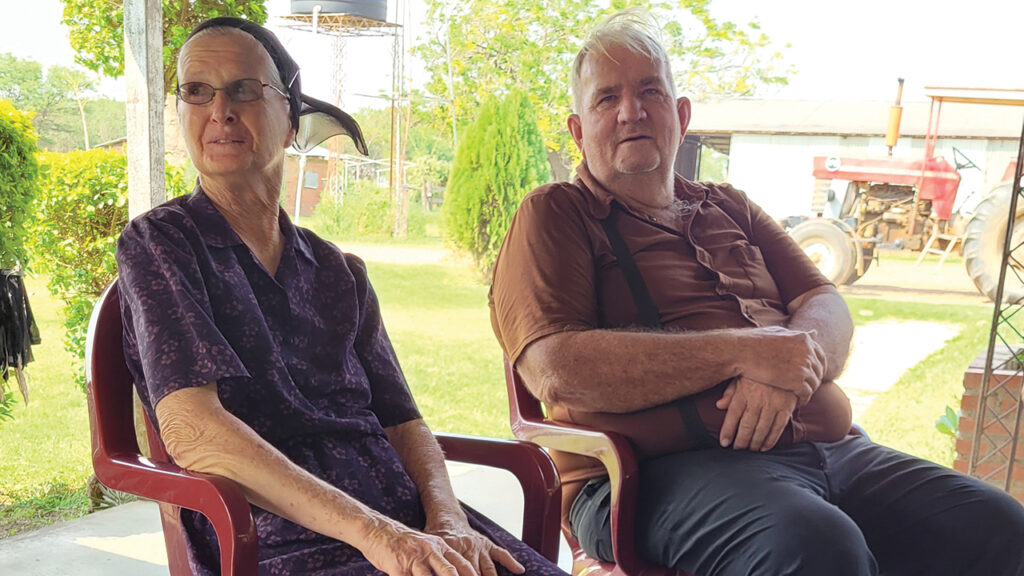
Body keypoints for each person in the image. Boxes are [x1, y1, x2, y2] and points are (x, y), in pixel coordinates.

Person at [489, 8, 1024, 576]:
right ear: (578, 130)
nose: (631, 112)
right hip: (653, 474)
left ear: (681, 114)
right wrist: (750, 353)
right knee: (816, 548)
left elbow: (826, 306)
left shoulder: (730, 206)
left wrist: (786, 363)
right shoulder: (558, 213)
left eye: (651, 91)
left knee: (1001, 530)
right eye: (606, 98)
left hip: (830, 450)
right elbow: (557, 367)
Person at [116, 17, 566, 576]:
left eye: (243, 90)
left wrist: (448, 522)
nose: (219, 110)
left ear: (290, 122)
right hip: (275, 535)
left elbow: (405, 423)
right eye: (196, 91)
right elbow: (192, 430)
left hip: (405, 521)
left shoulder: (337, 271)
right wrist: (379, 536)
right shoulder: (162, 243)